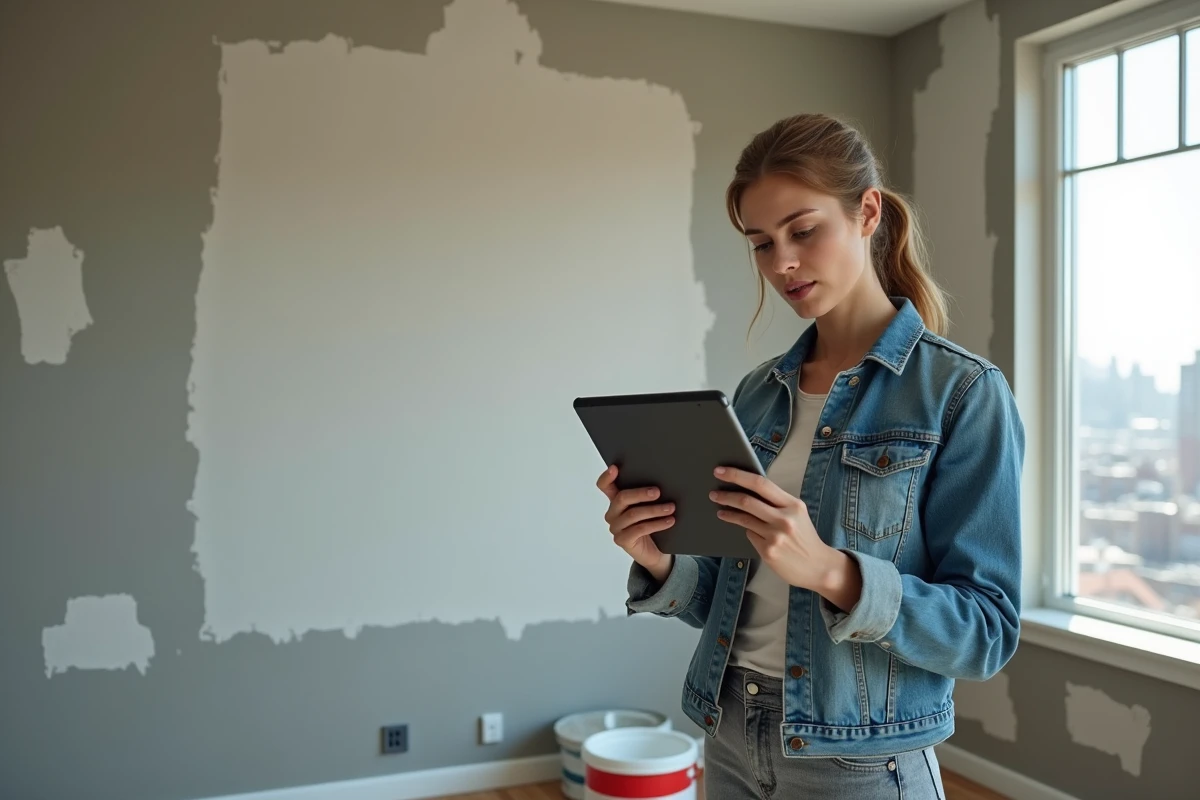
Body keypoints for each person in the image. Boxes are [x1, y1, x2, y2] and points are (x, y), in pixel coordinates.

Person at [596, 113, 1024, 799]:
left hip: (859, 763)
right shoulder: (758, 394)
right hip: (728, 733)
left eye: (803, 231)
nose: (781, 264)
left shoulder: (963, 393)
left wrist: (830, 570)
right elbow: (727, 598)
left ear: (867, 212)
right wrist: (659, 560)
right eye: (762, 244)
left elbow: (986, 632)